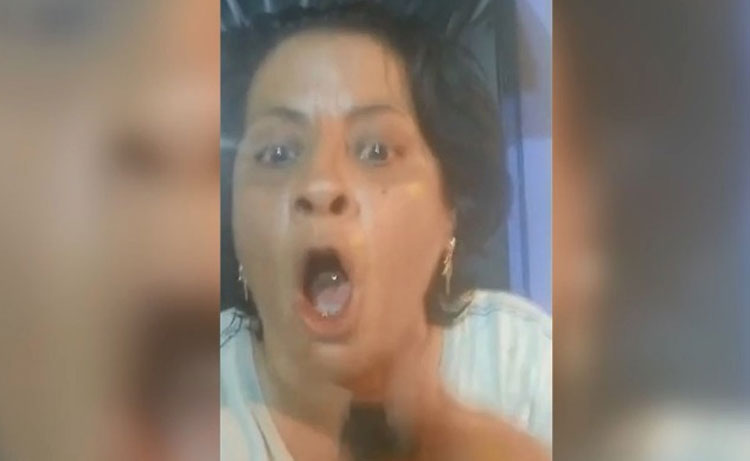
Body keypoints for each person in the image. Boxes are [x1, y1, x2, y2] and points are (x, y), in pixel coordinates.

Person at [220, 3, 550, 460]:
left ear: (451, 207)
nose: (320, 185)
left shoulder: (526, 367)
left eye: (376, 150)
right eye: (277, 154)